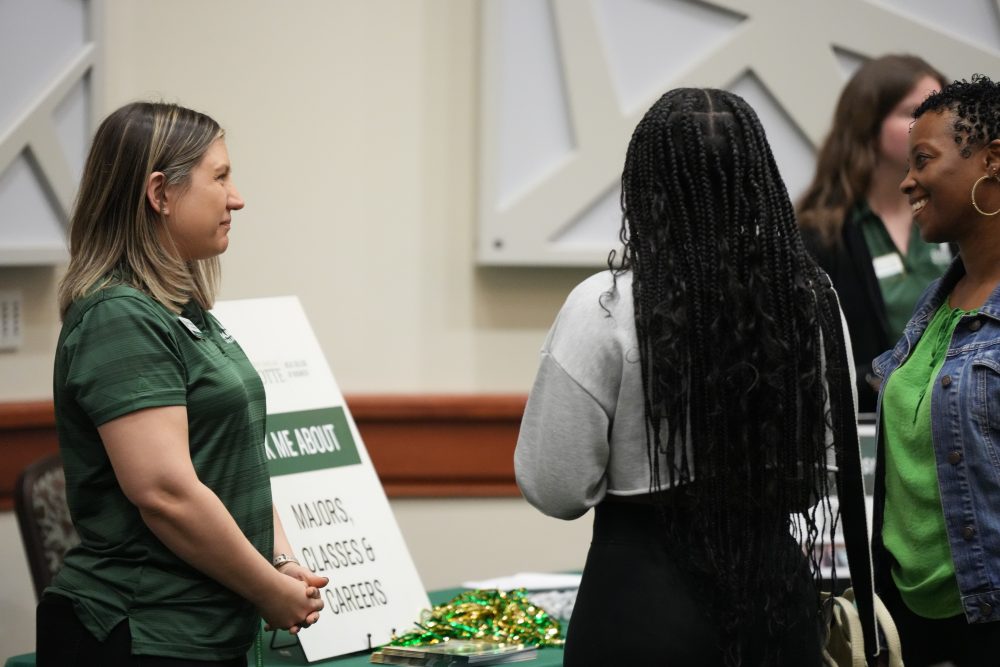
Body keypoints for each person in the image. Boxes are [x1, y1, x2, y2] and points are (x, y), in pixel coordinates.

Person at [515, 88, 858, 666]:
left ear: (645, 187)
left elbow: (555, 487)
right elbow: (822, 471)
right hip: (776, 612)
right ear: (759, 182)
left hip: (640, 610)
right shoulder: (812, 300)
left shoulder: (602, 307)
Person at [36, 102, 327, 666]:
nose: (236, 198)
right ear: (160, 193)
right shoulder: (117, 316)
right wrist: (268, 591)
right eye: (219, 177)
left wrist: (281, 564)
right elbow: (166, 493)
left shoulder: (180, 308)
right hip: (140, 631)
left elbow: (233, 459)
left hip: (205, 630)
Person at [871, 75, 1000, 667]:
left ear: (991, 163)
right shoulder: (936, 302)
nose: (906, 181)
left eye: (924, 159)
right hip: (911, 625)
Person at [798, 54, 950, 413]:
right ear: (868, 123)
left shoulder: (963, 220)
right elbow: (806, 369)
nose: (931, 125)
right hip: (869, 430)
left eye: (940, 112)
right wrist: (887, 380)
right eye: (914, 112)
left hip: (958, 420)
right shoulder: (818, 236)